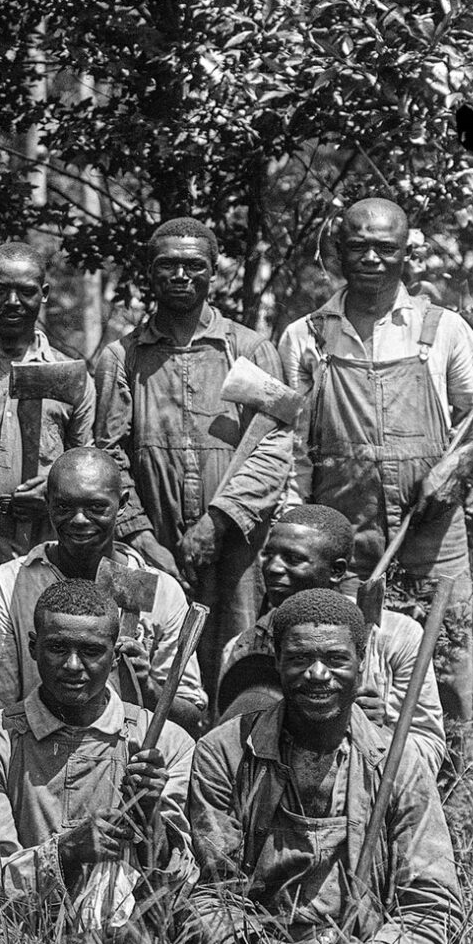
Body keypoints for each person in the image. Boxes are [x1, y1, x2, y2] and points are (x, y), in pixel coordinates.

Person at [175, 588, 473, 944]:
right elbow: (207, 894)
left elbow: (433, 905)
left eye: (335, 659)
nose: (317, 675)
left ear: (362, 660)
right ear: (276, 660)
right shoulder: (225, 752)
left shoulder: (397, 764)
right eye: (299, 659)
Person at [275, 196, 473, 757]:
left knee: (443, 667)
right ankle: (348, 797)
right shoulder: (306, 337)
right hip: (340, 539)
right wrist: (299, 524)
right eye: (358, 246)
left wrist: (462, 463)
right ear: (338, 250)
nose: (371, 257)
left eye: (385, 247)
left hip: (432, 532)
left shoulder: (444, 330)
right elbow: (289, 445)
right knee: (340, 670)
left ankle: (449, 806)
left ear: (406, 254)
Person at [88, 216, 289, 681]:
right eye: (169, 265)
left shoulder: (250, 349)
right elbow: (108, 454)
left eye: (194, 266)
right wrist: (141, 539)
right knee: (142, 666)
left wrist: (218, 522)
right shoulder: (122, 357)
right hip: (148, 545)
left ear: (213, 274)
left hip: (238, 544)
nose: (181, 276)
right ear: (151, 274)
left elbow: (274, 446)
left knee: (240, 664)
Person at [0, 580, 194, 923]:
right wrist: (65, 853)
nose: (71, 665)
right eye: (57, 648)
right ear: (33, 648)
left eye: (91, 651)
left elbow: (178, 888)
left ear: (116, 657)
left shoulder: (165, 744)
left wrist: (150, 819)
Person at [0, 447, 208, 735]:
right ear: (47, 503)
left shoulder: (157, 589)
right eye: (64, 507)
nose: (79, 520)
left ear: (123, 504)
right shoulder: (10, 582)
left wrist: (148, 688)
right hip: (35, 760)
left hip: (128, 764)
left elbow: (191, 719)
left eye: (96, 507)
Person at [213, 504, 439, 757]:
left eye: (293, 558)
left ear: (337, 571)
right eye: (268, 555)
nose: (273, 568)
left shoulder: (395, 636)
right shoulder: (243, 648)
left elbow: (429, 748)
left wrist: (375, 733)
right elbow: (226, 750)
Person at [0, 240, 94, 558]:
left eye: (26, 291)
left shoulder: (70, 376)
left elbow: (86, 463)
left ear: (44, 293)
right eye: (0, 290)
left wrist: (55, 489)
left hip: (45, 533)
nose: (13, 302)